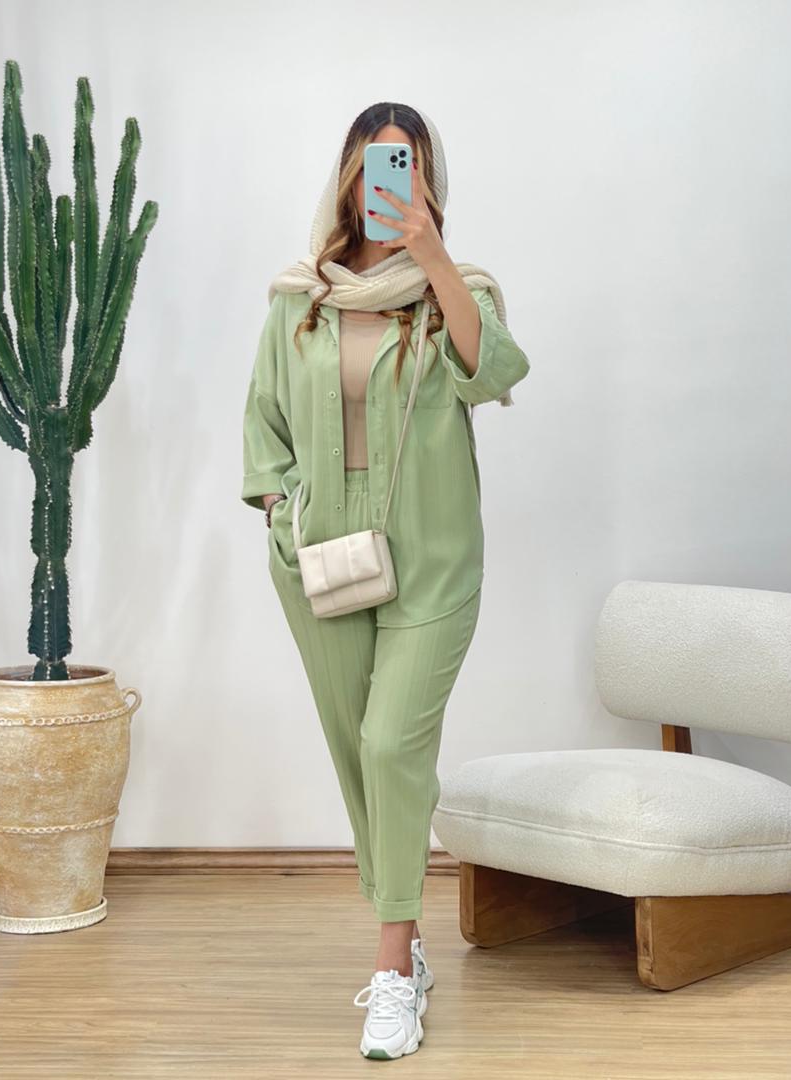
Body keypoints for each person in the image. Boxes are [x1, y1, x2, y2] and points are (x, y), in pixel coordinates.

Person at [241, 101, 530, 1059]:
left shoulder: (456, 291)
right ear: (348, 178)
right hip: (322, 549)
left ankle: (393, 968)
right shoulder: (300, 298)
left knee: (391, 744)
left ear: (427, 181)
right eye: (373, 168)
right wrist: (279, 509)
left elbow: (493, 371)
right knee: (357, 751)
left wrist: (433, 255)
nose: (385, 187)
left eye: (403, 169)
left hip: (432, 553)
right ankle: (402, 935)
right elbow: (263, 420)